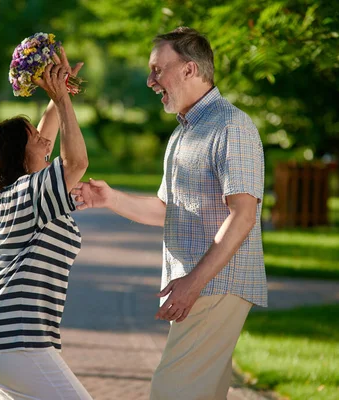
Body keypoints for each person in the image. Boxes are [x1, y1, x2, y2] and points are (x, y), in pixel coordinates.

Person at [72, 27, 267, 400]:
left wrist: (192, 282)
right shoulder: (185, 132)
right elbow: (168, 210)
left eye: (158, 69)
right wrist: (110, 199)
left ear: (190, 70)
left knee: (171, 391)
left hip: (216, 284)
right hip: (203, 284)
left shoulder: (231, 126)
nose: (150, 81)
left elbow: (243, 215)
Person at [0, 48, 93, 400]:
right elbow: (77, 162)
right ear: (18, 155)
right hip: (12, 339)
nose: (43, 138)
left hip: (1, 337)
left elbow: (48, 133)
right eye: (34, 136)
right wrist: (63, 100)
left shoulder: (17, 193)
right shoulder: (28, 193)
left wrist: (57, 85)